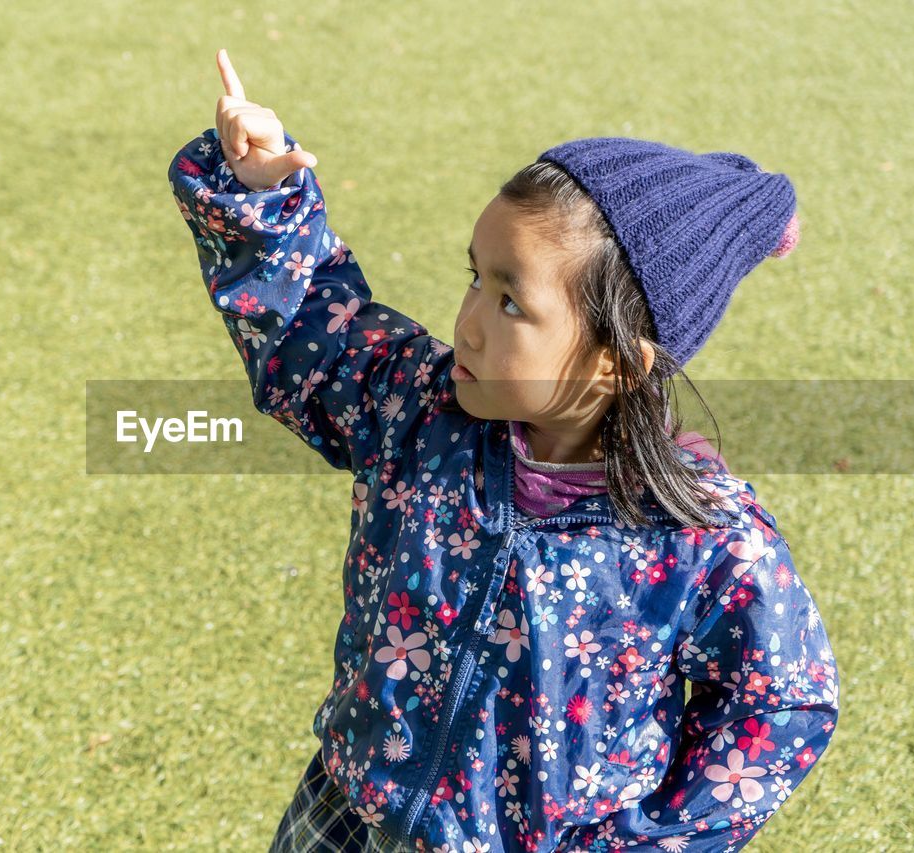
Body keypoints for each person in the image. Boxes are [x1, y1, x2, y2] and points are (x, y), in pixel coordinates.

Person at [167, 48, 839, 853]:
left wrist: (645, 841)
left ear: (619, 357)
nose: (470, 321)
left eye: (512, 299)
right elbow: (311, 320)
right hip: (345, 814)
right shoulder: (418, 406)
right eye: (475, 278)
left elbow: (782, 700)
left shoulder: (698, 534)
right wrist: (265, 196)